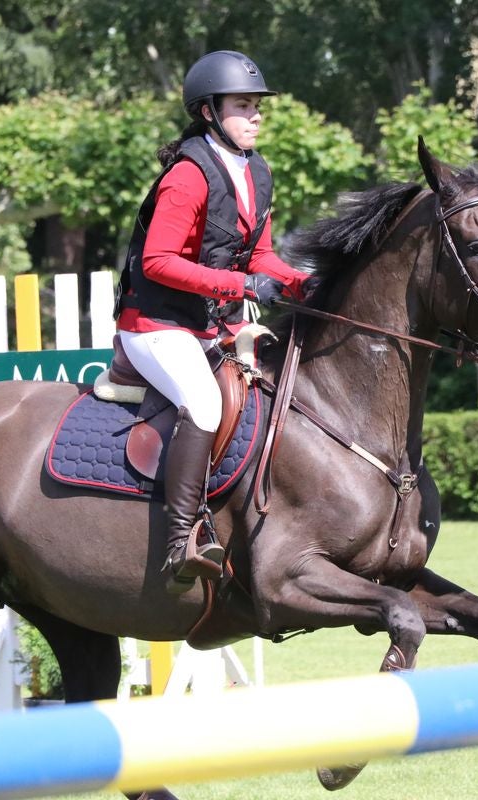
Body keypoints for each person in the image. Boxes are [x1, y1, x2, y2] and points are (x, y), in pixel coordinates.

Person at [114, 50, 313, 593]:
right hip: (154, 324)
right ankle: (181, 539)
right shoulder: (187, 175)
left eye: (257, 107)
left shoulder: (257, 172)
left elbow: (260, 256)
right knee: (202, 403)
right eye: (243, 107)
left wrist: (299, 283)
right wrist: (244, 287)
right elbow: (158, 261)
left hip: (209, 326)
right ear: (208, 113)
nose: (255, 116)